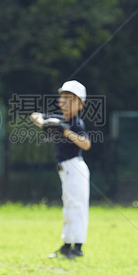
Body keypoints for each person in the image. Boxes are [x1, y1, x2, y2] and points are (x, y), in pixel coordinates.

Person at [29, 80, 92, 260]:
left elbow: (86, 144)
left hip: (75, 167)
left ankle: (77, 247)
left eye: (71, 99)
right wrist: (44, 122)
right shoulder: (59, 119)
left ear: (81, 104)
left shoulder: (75, 122)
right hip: (65, 170)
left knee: (77, 206)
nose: (65, 101)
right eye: (63, 97)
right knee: (69, 206)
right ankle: (67, 246)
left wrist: (66, 132)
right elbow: (34, 115)